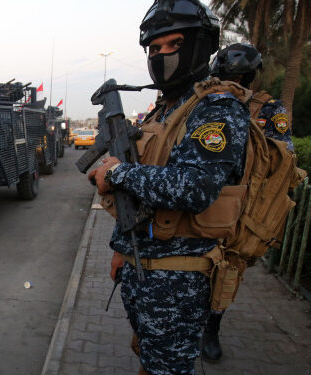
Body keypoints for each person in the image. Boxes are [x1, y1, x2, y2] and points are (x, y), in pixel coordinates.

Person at [88, 1, 251, 373]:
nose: (161, 56)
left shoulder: (216, 110)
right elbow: (138, 192)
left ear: (200, 46)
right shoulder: (166, 110)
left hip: (178, 280)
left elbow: (195, 189)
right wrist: (119, 251)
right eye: (154, 49)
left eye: (173, 45)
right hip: (140, 267)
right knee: (150, 360)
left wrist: (118, 174)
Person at [199, 42, 295, 362]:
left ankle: (212, 326)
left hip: (244, 202)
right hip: (204, 198)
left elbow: (284, 155)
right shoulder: (202, 101)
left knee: (229, 266)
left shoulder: (268, 109)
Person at [211, 43, 294, 151]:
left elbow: (282, 156)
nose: (228, 85)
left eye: (235, 79)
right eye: (224, 80)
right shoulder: (207, 104)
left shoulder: (267, 108)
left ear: (247, 78)